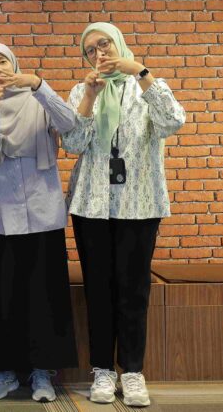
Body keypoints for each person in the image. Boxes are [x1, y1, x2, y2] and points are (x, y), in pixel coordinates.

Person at [63, 23, 187, 408]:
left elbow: (172, 121)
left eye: (104, 44)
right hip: (92, 205)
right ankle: (102, 370)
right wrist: (89, 96)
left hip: (139, 204)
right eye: (90, 50)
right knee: (98, 291)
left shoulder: (144, 86)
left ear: (118, 43)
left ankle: (132, 371)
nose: (99, 53)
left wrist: (141, 72)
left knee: (133, 291)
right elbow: (72, 143)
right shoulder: (82, 90)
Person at [0, 43, 79, 402]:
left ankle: (42, 373)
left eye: (2, 61)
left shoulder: (39, 100)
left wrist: (38, 84)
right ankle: (4, 372)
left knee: (43, 297)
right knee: (5, 298)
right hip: (3, 216)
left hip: (44, 213)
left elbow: (70, 125)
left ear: (14, 65)